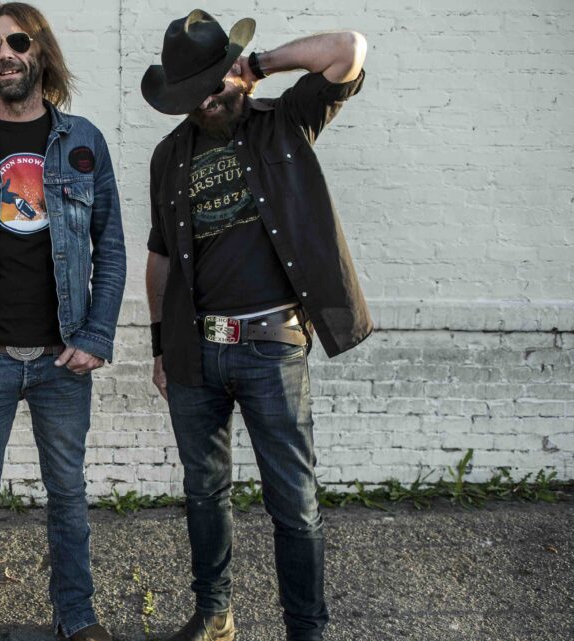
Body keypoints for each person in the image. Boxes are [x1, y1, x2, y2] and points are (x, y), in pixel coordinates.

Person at [141, 9, 370, 641]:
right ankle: (215, 615)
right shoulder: (169, 156)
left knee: (293, 502)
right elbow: (160, 257)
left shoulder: (285, 120)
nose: (206, 102)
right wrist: (159, 346)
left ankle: (306, 630)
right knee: (204, 492)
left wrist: (262, 65)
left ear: (234, 72)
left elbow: (348, 48)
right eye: (192, 95)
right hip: (196, 351)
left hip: (273, 348)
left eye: (214, 86)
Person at [0, 3, 126, 640]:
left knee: (68, 493)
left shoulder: (84, 141)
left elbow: (112, 247)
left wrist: (96, 335)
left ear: (41, 52)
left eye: (16, 41)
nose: (4, 54)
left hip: (63, 359)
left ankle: (77, 618)